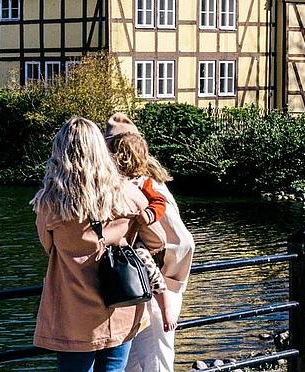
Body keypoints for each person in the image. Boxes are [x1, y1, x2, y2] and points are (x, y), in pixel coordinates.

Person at [32, 116, 166, 372]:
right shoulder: (128, 194)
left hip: (74, 313)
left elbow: (48, 247)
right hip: (120, 302)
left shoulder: (49, 203)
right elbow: (157, 239)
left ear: (59, 153)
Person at [103, 114, 197, 372]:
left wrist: (167, 282)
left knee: (154, 364)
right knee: (136, 365)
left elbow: (183, 241)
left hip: (150, 291)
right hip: (135, 289)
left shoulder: (147, 187)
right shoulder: (134, 184)